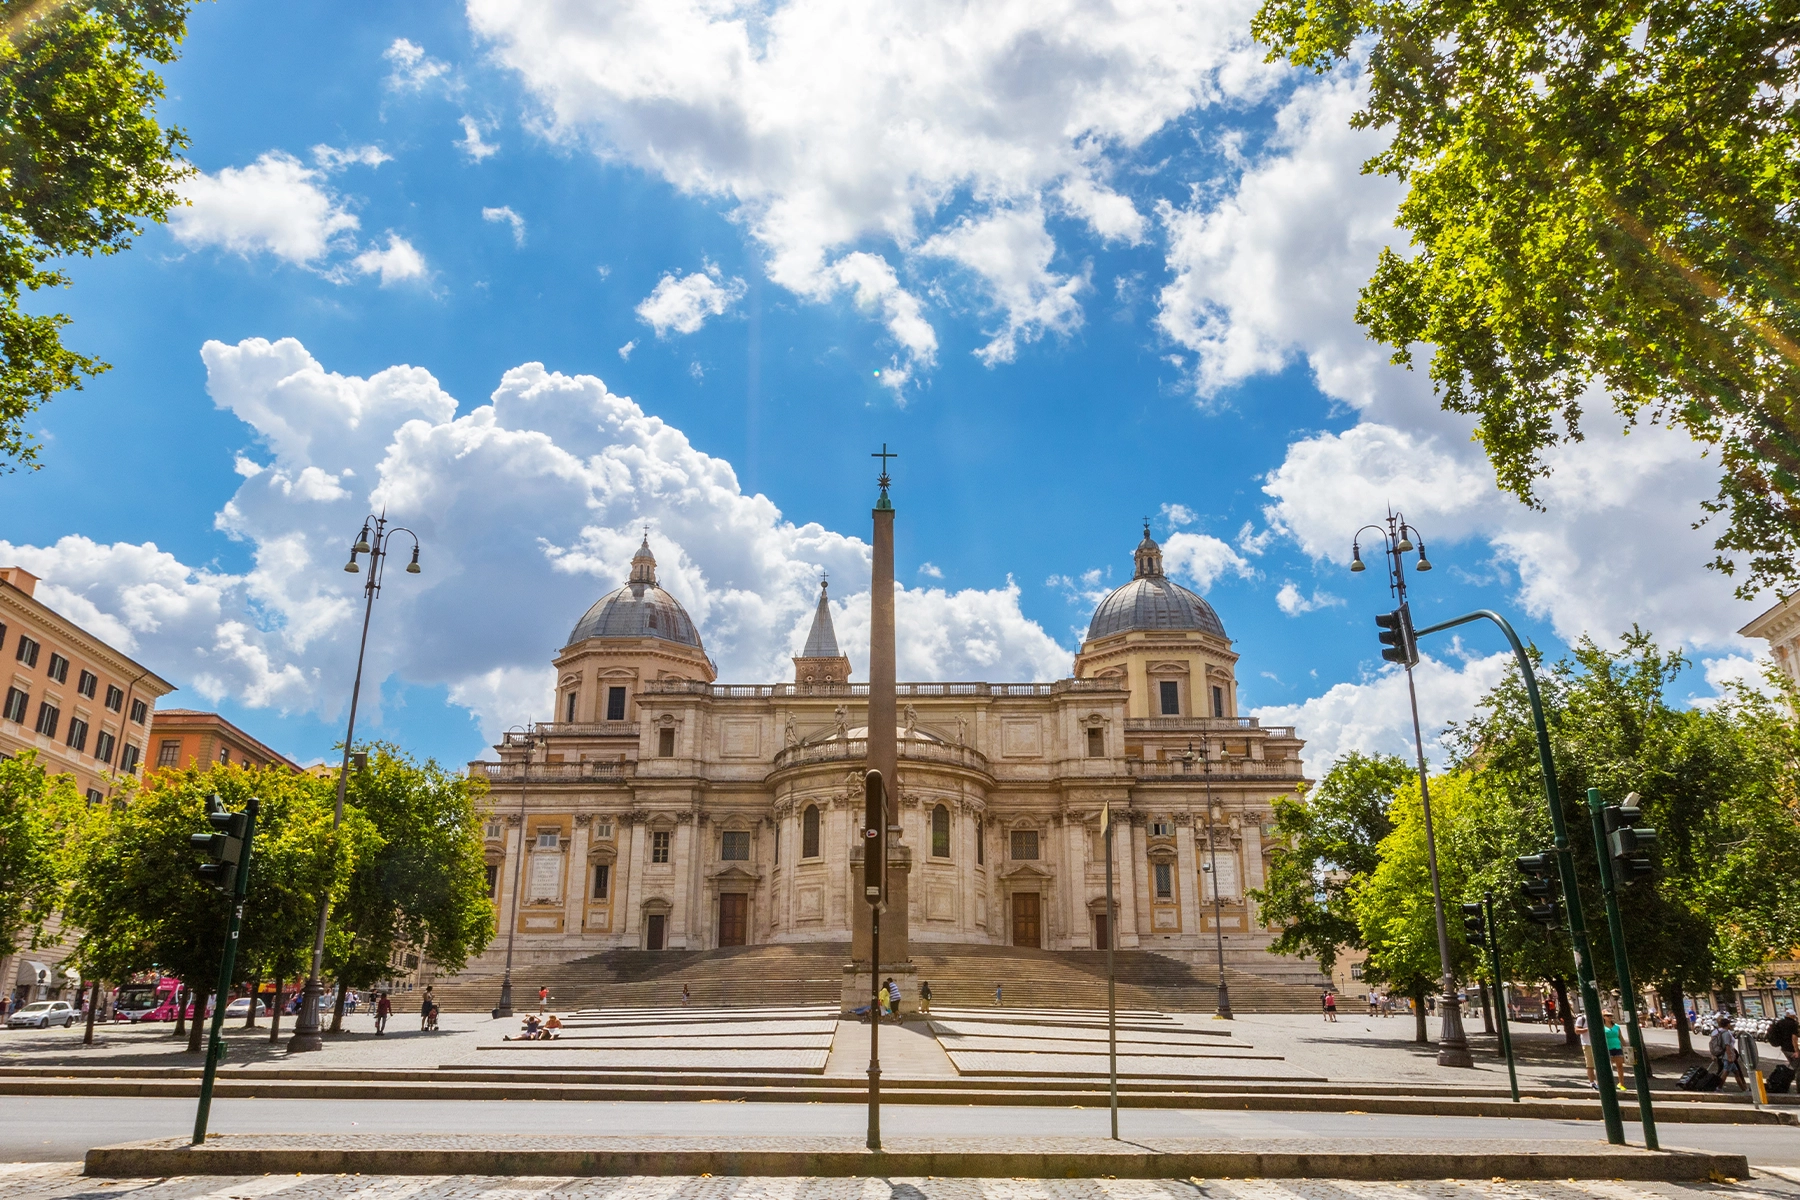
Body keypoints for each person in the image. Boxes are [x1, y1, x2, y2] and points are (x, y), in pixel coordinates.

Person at [1710, 1013, 1748, 1091]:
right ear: (1727, 1025)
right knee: (1725, 1072)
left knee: (1736, 1072)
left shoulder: (1716, 1032)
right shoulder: (1726, 1033)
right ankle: (1718, 1087)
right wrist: (1730, 1057)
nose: (1730, 1025)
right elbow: (1727, 1045)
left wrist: (1713, 1054)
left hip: (1723, 1055)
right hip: (1728, 1056)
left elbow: (1712, 1043)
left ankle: (1744, 1089)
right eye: (1729, 1024)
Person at [1601, 1011, 1626, 1091]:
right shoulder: (1602, 1026)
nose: (1609, 1017)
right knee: (1609, 1066)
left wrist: (1625, 1047)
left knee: (1620, 1066)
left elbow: (1620, 1037)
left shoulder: (1616, 1026)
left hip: (1617, 1047)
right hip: (1607, 1047)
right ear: (1603, 1017)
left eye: (1610, 1015)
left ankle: (1621, 1083)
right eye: (1607, 1015)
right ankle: (1609, 1083)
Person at [1575, 1011, 1596, 1088]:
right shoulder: (1582, 1019)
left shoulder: (1599, 1018)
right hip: (1587, 1044)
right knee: (1590, 1065)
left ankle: (1601, 1082)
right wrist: (1588, 1029)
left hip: (1599, 1044)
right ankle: (1592, 1082)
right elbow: (1577, 1031)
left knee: (1599, 1064)